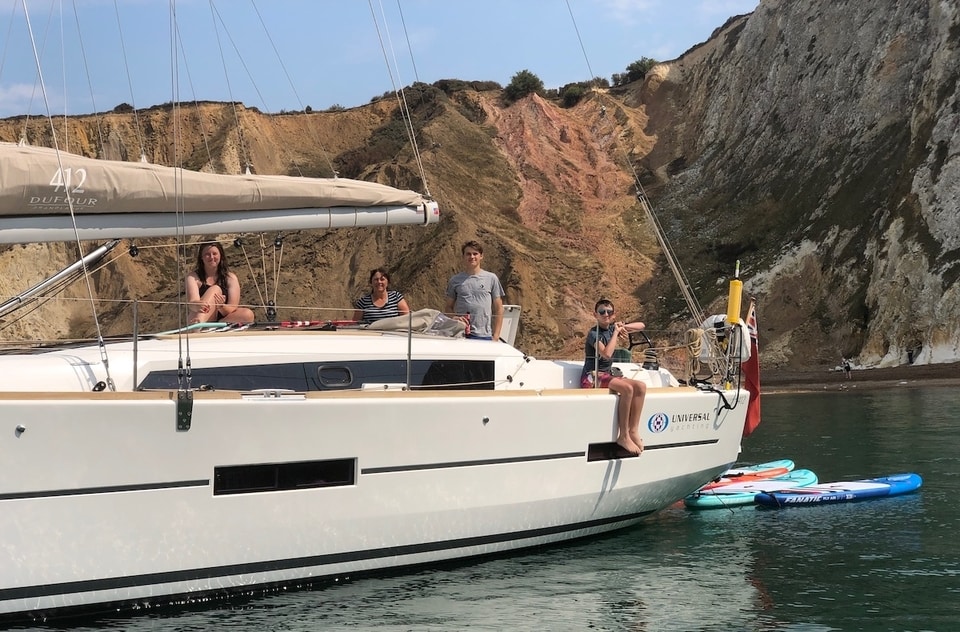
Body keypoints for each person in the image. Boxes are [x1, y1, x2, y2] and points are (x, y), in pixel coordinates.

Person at [581, 299, 647, 455]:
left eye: (609, 312)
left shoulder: (612, 328)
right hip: (592, 375)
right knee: (627, 389)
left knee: (641, 386)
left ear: (613, 314)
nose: (605, 315)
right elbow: (607, 354)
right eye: (602, 312)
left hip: (606, 374)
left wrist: (622, 326)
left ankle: (633, 431)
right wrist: (616, 333)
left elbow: (641, 326)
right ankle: (623, 435)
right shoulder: (593, 333)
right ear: (595, 314)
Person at [445, 240, 505, 340]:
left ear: (481, 256)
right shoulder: (455, 280)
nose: (472, 257)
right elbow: (448, 307)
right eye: (468, 254)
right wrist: (454, 318)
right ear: (463, 257)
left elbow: (499, 308)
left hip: (484, 335)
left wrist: (496, 335)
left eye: (475, 254)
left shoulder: (491, 278)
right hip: (460, 335)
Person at [185, 241, 255, 324]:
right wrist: (198, 305)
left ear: (220, 255)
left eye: (215, 254)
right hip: (198, 316)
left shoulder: (230, 278)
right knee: (215, 289)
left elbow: (232, 308)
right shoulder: (193, 277)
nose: (211, 257)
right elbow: (192, 302)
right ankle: (199, 324)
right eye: (207, 254)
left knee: (248, 314)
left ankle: (217, 325)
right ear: (201, 257)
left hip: (223, 317)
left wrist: (221, 307)